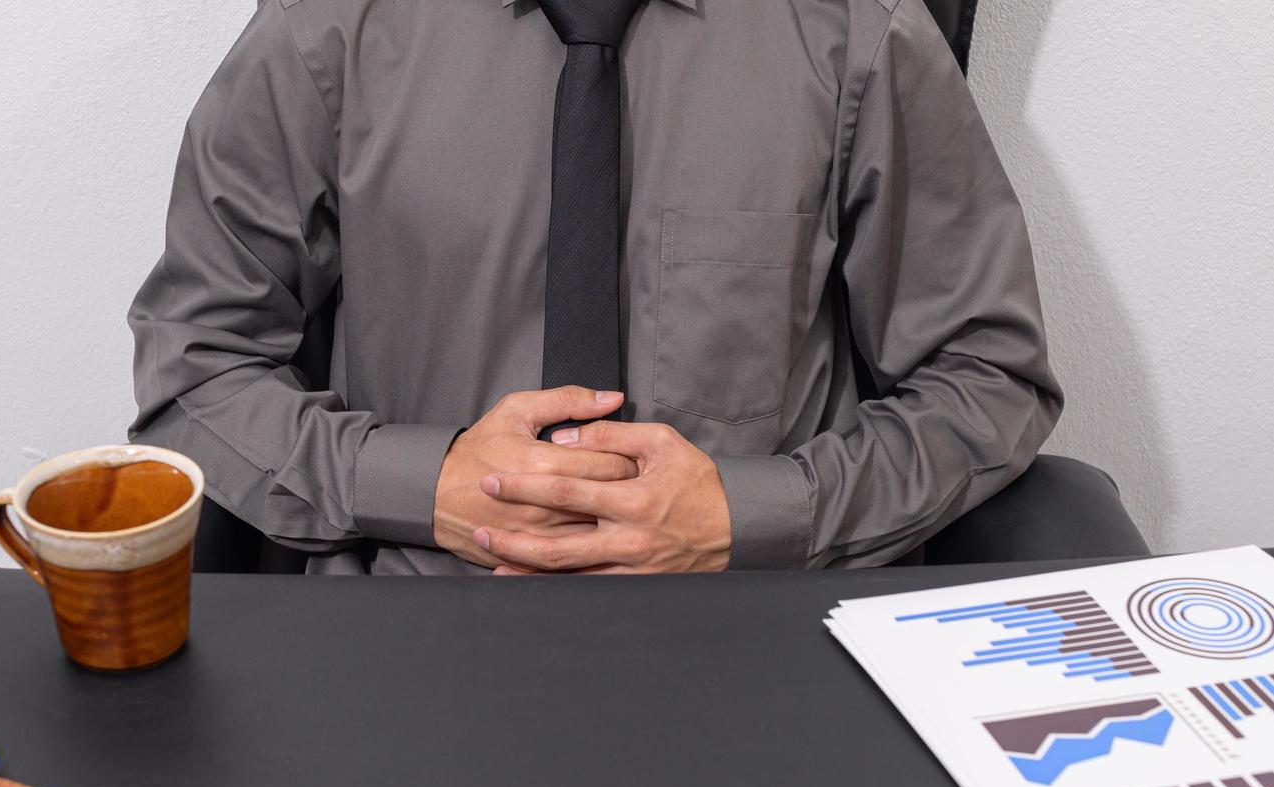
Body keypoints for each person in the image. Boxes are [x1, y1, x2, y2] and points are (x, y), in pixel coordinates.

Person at [128, 0, 1061, 576]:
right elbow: (196, 367)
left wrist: (755, 515)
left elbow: (989, 378)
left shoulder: (859, 33)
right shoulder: (323, 31)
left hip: (754, 630)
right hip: (411, 623)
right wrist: (425, 483)